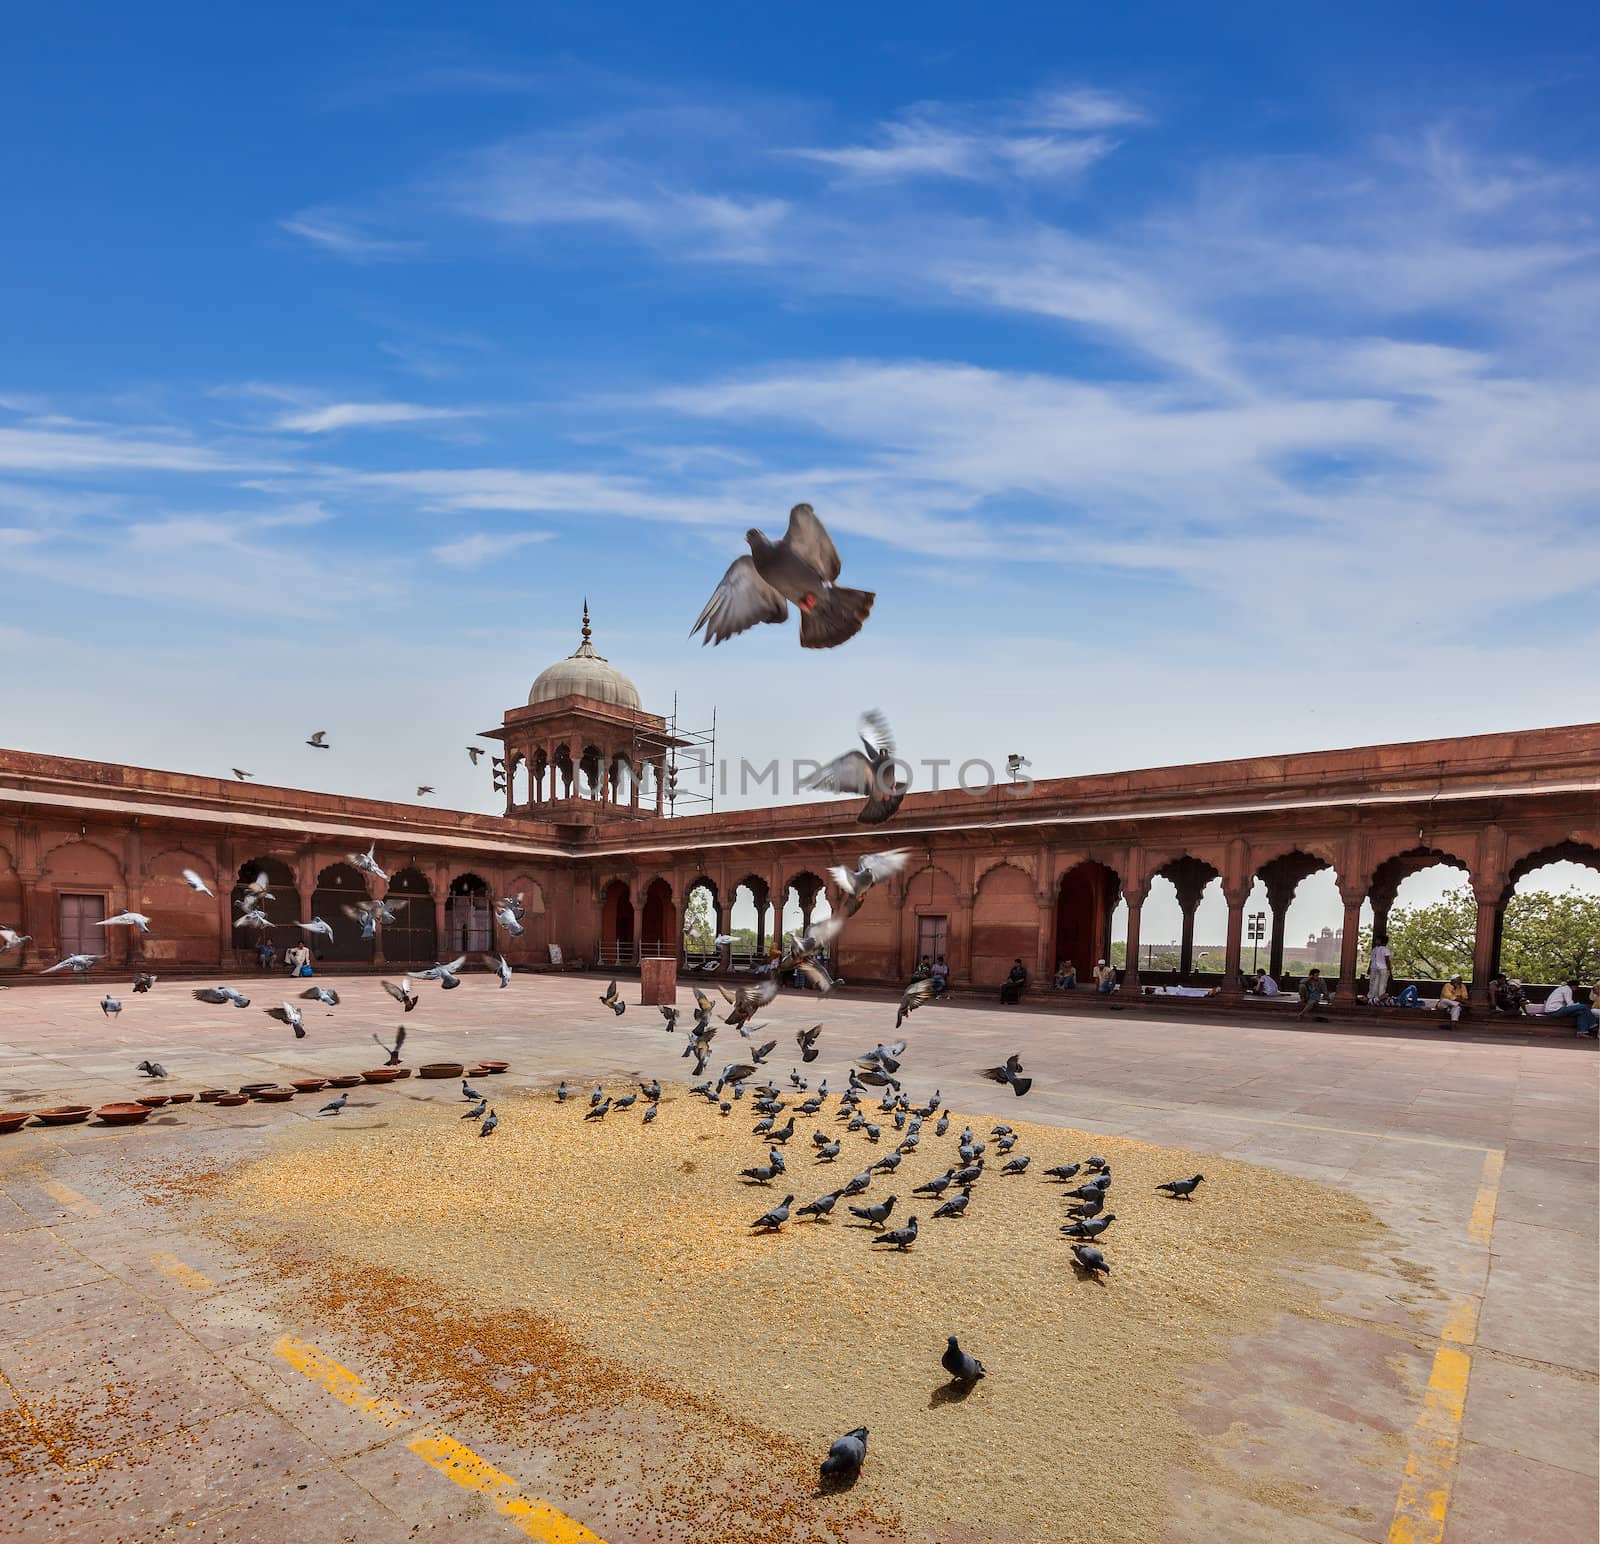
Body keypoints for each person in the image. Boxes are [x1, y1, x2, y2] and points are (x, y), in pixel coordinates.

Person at [1367, 939, 1392, 1004]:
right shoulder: (1385, 949)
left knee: (1374, 983)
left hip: (1376, 967)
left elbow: (1372, 960)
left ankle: (1373, 997)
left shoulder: (1375, 949)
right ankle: (1380, 997)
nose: (1376, 941)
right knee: (1382, 984)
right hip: (1383, 968)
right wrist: (1389, 970)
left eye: (1377, 940)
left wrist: (1369, 968)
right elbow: (1387, 960)